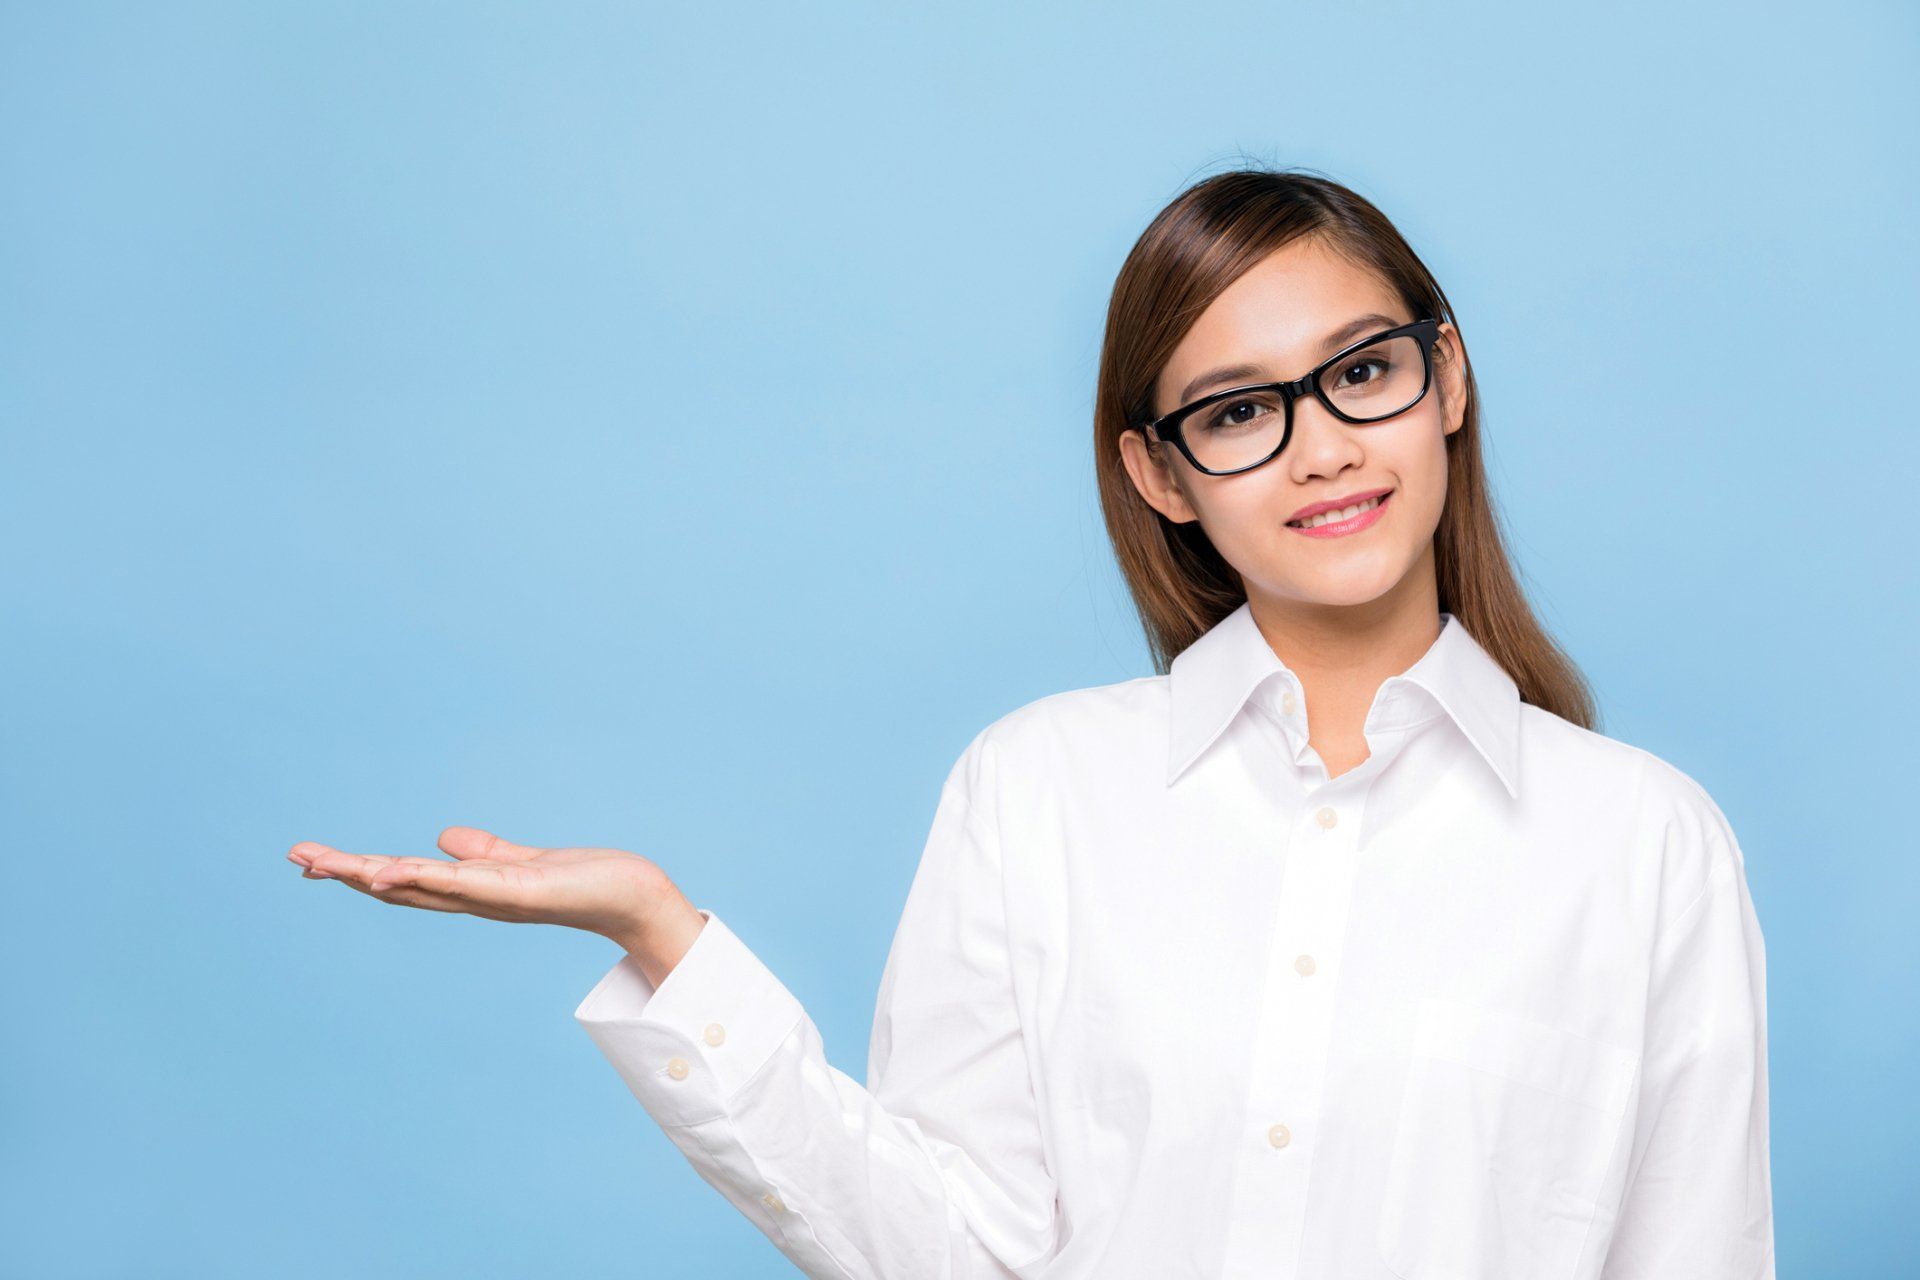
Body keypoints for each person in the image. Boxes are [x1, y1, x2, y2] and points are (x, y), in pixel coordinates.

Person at [286, 168, 1774, 1279]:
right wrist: (664, 939)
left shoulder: (1642, 841)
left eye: (1361, 374)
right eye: (1238, 410)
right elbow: (949, 1246)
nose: (1321, 445)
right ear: (1160, 474)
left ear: (1444, 380)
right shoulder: (1039, 788)